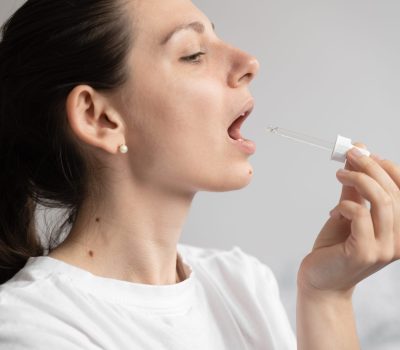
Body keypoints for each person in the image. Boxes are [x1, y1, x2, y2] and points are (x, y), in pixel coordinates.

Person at [0, 0, 398, 349]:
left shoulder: (241, 283)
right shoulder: (33, 327)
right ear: (99, 117)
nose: (249, 63)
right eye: (193, 54)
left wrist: (327, 296)